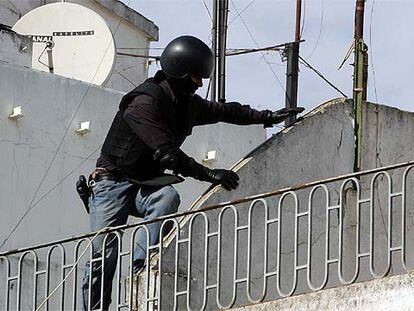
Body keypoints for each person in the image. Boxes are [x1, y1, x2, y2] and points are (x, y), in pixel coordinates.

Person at [81, 35, 304, 310]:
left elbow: (225, 111)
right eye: (195, 77)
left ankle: (142, 267)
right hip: (111, 183)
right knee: (103, 255)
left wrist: (266, 117)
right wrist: (210, 174)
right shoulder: (143, 104)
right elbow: (167, 154)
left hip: (145, 184)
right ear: (178, 72)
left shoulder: (185, 104)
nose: (199, 84)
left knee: (166, 198)